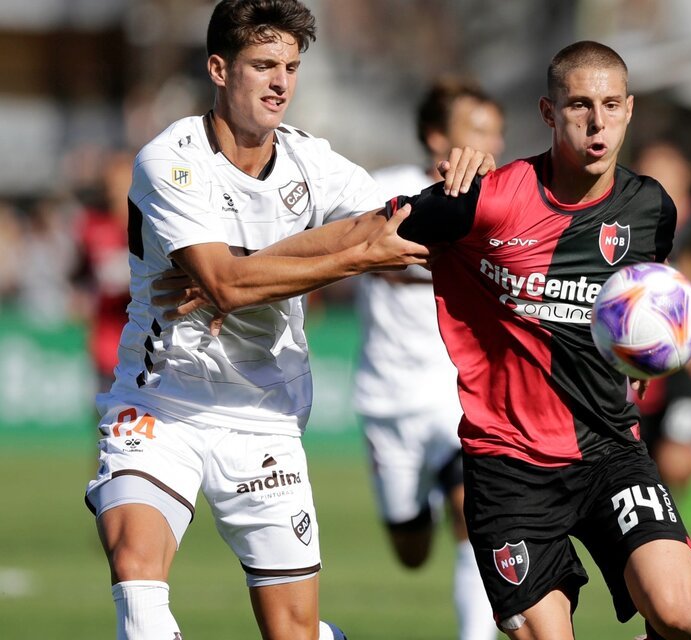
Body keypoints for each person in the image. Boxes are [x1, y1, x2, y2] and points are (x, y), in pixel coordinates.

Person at [83, 2, 490, 639]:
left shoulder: (313, 164)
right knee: (136, 568)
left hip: (266, 415)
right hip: (162, 402)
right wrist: (354, 254)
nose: (281, 83)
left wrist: (478, 196)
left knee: (293, 632)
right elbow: (226, 284)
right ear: (219, 69)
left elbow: (393, 220)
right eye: (263, 65)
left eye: (292, 67)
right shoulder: (171, 160)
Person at [386, 41, 691, 640]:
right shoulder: (487, 197)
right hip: (509, 465)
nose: (597, 121)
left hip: (610, 449)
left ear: (630, 109)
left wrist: (643, 352)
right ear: (547, 111)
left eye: (611, 105)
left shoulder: (651, 209)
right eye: (579, 105)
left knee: (682, 617)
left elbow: (641, 301)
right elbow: (372, 237)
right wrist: (246, 276)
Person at [353, 77, 504, 640]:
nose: (490, 142)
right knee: (410, 548)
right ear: (437, 136)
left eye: (497, 132)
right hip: (389, 397)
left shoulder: (499, 202)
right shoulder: (385, 192)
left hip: (458, 393)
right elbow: (343, 251)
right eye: (478, 130)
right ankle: (415, 509)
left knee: (475, 517)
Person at [630, 141, 691, 534]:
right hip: (639, 355)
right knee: (642, 454)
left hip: (686, 358)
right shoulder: (626, 221)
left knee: (675, 458)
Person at [73, 150, 135, 394]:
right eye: (111, 183)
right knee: (106, 424)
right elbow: (80, 276)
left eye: (123, 182)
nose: (116, 190)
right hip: (107, 344)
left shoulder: (156, 226)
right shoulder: (92, 226)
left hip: (150, 344)